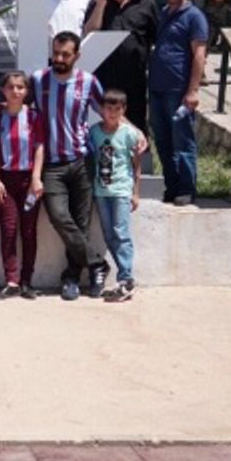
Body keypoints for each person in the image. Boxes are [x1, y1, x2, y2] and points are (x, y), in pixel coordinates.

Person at [33, 32, 109, 300]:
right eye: (56, 53)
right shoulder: (38, 80)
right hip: (51, 165)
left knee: (81, 223)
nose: (59, 58)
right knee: (58, 216)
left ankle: (72, 279)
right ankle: (97, 263)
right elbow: (17, 104)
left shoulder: (88, 82)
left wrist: (133, 131)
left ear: (77, 56)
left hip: (81, 161)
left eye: (65, 54)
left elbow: (108, 113)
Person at [84, 0, 160, 136]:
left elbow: (156, 38)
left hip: (135, 79)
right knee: (106, 127)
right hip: (105, 79)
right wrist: (101, 3)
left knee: (136, 127)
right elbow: (90, 32)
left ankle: (139, 154)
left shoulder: (147, 4)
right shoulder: (97, 3)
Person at [152, 0, 208, 205]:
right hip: (157, 87)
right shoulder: (164, 14)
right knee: (163, 141)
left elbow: (199, 55)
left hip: (179, 89)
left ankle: (186, 188)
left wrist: (193, 90)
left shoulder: (194, 16)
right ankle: (172, 186)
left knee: (182, 141)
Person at [0, 71, 44, 300]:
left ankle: (27, 281)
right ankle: (11, 281)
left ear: (27, 91)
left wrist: (36, 178)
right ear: (3, 90)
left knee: (29, 230)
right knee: (9, 229)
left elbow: (39, 147)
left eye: (20, 87)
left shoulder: (34, 117)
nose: (15, 91)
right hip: (5, 180)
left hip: (29, 180)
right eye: (10, 87)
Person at [89, 89, 144, 304]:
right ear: (101, 110)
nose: (112, 113)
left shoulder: (129, 134)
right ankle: (123, 275)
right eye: (108, 108)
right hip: (101, 190)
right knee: (109, 234)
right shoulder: (94, 132)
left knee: (121, 232)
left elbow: (136, 165)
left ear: (123, 110)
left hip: (121, 190)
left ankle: (126, 278)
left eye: (117, 109)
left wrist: (135, 193)